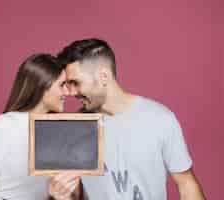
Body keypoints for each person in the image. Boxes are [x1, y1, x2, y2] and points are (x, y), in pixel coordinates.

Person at [56, 39, 206, 199]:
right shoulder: (74, 127)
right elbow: (74, 193)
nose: (71, 92)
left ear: (103, 76)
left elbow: (186, 183)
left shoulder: (159, 119)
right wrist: (59, 194)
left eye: (75, 83)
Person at [0, 53, 80, 200]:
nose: (68, 92)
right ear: (43, 85)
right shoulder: (5, 125)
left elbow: (66, 191)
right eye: (62, 85)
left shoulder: (58, 129)